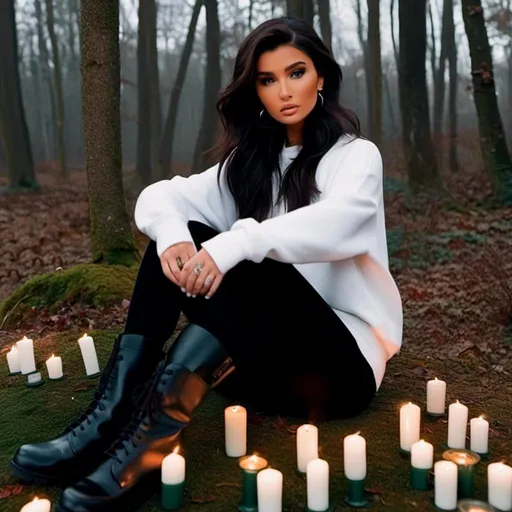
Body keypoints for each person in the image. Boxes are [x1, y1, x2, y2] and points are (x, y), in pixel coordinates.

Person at [10, 16, 402, 512]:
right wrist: (175, 236)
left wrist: (238, 243)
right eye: (267, 79)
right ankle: (105, 425)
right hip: (261, 369)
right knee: (176, 237)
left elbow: (343, 222)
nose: (284, 90)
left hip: (338, 370)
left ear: (322, 77)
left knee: (248, 260)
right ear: (254, 89)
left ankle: (146, 454)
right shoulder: (249, 164)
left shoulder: (356, 157)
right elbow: (161, 197)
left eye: (296, 72)